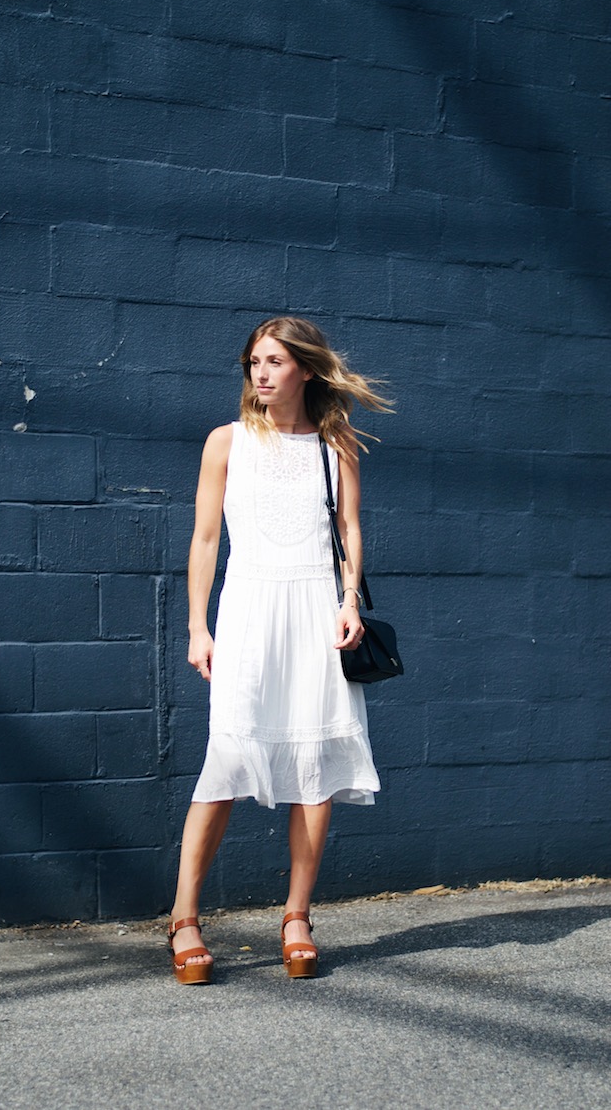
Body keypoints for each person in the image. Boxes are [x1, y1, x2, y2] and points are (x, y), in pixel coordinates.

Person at [168, 316, 392, 984]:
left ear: (305, 369)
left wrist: (349, 600)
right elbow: (206, 539)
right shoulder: (225, 442)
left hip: (315, 611)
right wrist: (197, 626)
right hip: (248, 610)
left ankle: (297, 915)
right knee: (229, 756)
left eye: (273, 361)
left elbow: (350, 530)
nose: (260, 373)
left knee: (315, 764)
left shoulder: (336, 444)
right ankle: (184, 916)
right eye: (252, 362)